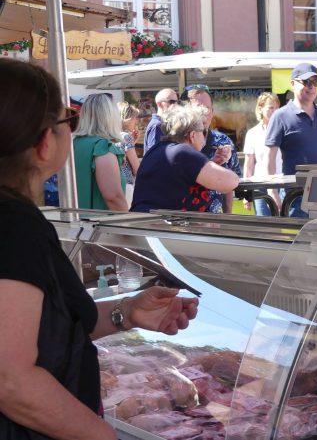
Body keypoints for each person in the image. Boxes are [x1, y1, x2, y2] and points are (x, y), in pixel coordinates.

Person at [0, 58, 198, 440]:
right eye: (66, 121)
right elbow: (11, 379)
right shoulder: (13, 226)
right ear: (44, 143)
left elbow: (47, 329)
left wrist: (129, 311)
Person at [131, 102, 240, 213]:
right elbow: (230, 182)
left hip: (147, 224)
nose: (205, 136)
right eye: (203, 131)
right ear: (192, 135)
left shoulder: (158, 149)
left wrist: (214, 163)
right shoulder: (183, 153)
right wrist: (226, 163)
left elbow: (182, 178)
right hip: (163, 227)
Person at [266, 63, 317, 217]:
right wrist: (273, 191)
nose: (311, 86)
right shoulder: (281, 115)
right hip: (297, 193)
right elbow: (270, 156)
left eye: (315, 82)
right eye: (306, 82)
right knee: (299, 238)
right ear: (292, 84)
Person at [186, 84, 243, 214]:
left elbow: (231, 180)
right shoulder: (180, 141)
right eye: (199, 109)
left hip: (214, 218)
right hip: (185, 217)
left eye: (207, 109)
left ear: (213, 111)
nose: (204, 114)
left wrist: (228, 216)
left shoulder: (223, 140)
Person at [73, 93, 129, 211]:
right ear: (111, 116)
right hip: (99, 226)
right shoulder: (102, 147)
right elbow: (113, 197)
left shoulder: (72, 144)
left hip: (71, 223)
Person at [243, 92, 283, 216]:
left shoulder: (284, 130)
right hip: (260, 184)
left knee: (281, 223)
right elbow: (248, 165)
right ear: (260, 109)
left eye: (277, 108)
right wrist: (246, 192)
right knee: (263, 224)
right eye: (271, 107)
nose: (274, 111)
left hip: (282, 182)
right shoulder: (252, 133)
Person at [118, 101, 141, 204]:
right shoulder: (126, 137)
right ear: (127, 120)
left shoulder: (113, 135)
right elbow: (137, 169)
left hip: (115, 183)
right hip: (126, 184)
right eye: (134, 117)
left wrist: (133, 142)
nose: (136, 121)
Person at [143, 88, 178, 155]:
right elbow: (154, 155)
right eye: (171, 102)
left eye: (177, 102)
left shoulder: (163, 123)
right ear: (159, 104)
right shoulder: (157, 125)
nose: (175, 105)